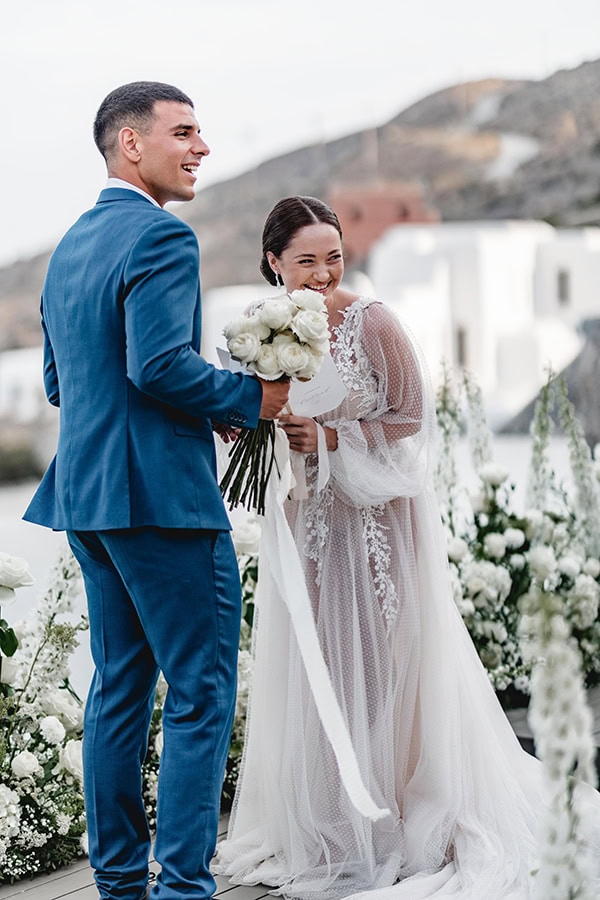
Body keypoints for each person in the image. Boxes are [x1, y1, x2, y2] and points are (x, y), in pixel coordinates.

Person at [214, 196, 600, 898]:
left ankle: (392, 813)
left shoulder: (373, 322)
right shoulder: (256, 333)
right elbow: (251, 413)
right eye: (307, 260)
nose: (325, 272)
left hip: (377, 516)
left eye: (334, 255)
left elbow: (411, 414)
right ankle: (334, 820)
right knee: (321, 663)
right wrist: (249, 429)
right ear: (273, 262)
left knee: (386, 661)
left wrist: (329, 437)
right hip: (307, 519)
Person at [23, 82, 289, 900]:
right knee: (203, 693)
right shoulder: (161, 238)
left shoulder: (68, 247)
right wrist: (252, 400)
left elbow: (61, 384)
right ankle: (181, 888)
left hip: (88, 499)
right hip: (162, 502)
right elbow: (160, 365)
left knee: (118, 688)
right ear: (130, 144)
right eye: (184, 131)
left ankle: (118, 885)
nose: (203, 146)